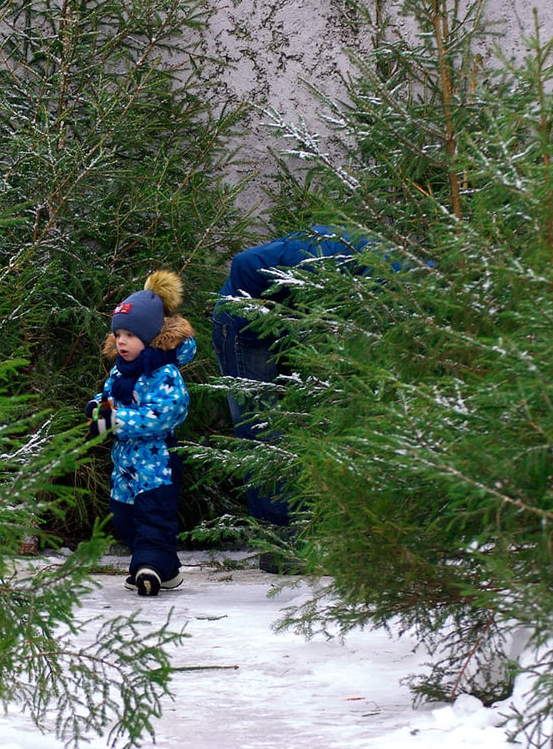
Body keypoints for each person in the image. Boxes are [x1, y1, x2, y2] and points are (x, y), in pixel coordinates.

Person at [211, 225, 370, 570]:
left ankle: (313, 533)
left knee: (303, 428)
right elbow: (243, 262)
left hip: (285, 324)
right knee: (264, 432)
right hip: (245, 326)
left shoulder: (382, 268)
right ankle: (280, 547)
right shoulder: (321, 262)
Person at [86, 269, 196, 596]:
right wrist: (97, 410)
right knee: (124, 517)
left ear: (149, 337)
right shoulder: (121, 371)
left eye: (130, 336)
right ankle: (163, 568)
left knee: (153, 518)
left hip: (156, 466)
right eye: (118, 334)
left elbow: (166, 413)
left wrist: (118, 419)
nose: (121, 341)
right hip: (124, 466)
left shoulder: (163, 373)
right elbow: (106, 398)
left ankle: (148, 565)